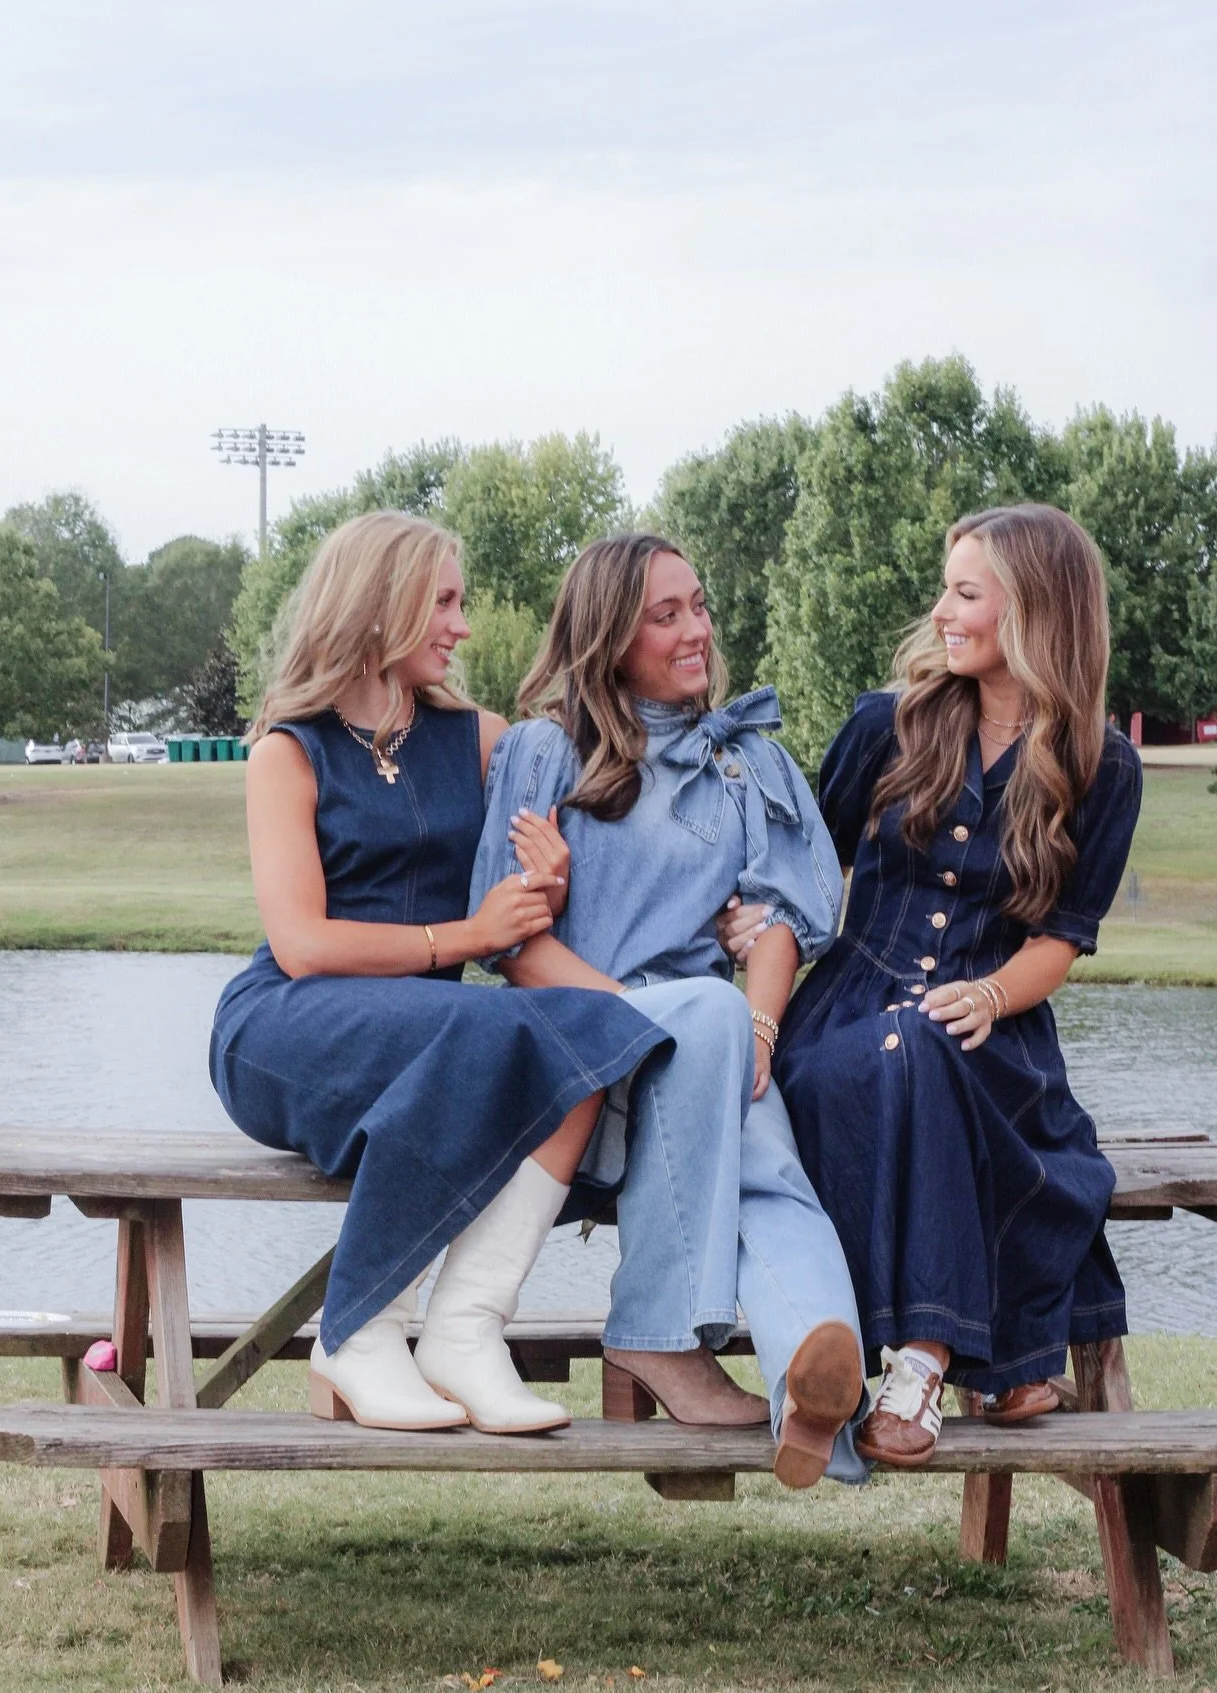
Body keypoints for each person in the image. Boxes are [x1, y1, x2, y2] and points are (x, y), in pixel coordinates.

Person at [208, 512, 674, 1436]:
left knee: (591, 1033)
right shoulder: (285, 751)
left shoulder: (482, 739)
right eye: (446, 602)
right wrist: (465, 936)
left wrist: (549, 880)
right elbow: (302, 944)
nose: (462, 625)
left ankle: (465, 1329)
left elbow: (592, 829)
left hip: (430, 1039)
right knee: (483, 1031)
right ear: (380, 604)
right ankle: (360, 1332)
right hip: (286, 1030)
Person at [742, 502, 1140, 1467]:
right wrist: (750, 928)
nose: (942, 611)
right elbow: (804, 872)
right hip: (848, 1013)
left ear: (1036, 612)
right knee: (908, 1044)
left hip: (995, 1029)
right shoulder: (888, 723)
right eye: (947, 590)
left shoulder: (1102, 764)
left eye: (966, 593)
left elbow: (1062, 937)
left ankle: (929, 1358)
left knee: (943, 1050)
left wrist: (995, 996)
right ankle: (947, 1360)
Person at [470, 533, 870, 1489]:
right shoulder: (546, 751)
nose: (697, 631)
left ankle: (810, 1382)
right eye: (667, 614)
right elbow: (515, 944)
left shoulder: (744, 763)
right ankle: (657, 1334)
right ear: (609, 637)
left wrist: (759, 1028)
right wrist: (657, 1023)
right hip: (579, 1062)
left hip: (710, 1059)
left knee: (770, 1167)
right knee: (710, 1029)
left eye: (700, 606)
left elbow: (777, 923)